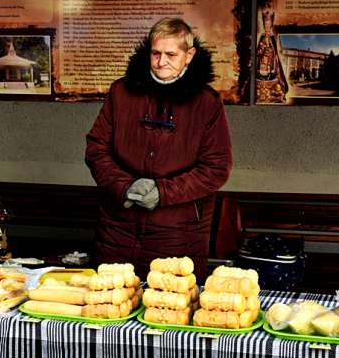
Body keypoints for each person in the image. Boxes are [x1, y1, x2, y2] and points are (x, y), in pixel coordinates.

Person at [85, 17, 233, 281]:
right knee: (112, 306)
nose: (161, 61)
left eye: (170, 54)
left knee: (168, 308)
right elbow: (97, 149)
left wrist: (162, 192)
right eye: (156, 53)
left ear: (189, 55)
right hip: (118, 228)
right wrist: (124, 186)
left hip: (179, 232)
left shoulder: (207, 102)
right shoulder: (120, 92)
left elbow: (216, 168)